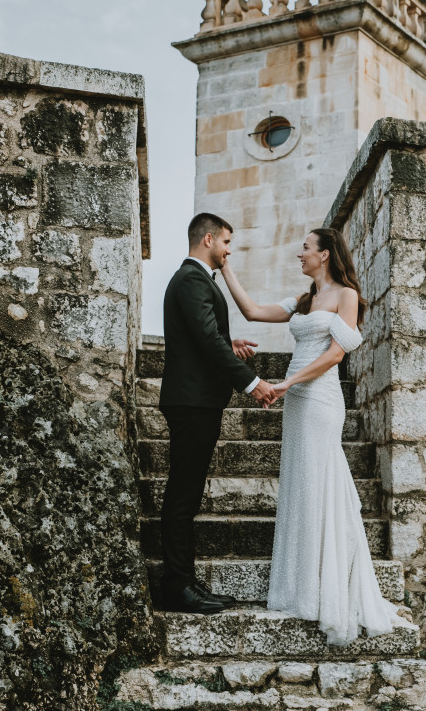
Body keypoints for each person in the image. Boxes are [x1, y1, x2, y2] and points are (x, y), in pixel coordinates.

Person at [221, 227, 401, 645]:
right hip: (297, 402)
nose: (299, 254)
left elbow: (335, 354)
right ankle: (301, 586)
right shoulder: (303, 301)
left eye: (305, 248)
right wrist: (226, 268)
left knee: (320, 483)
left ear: (325, 254)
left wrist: (287, 382)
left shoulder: (346, 296)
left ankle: (329, 587)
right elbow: (252, 311)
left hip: (319, 399)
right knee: (300, 484)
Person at [159, 212, 277, 614]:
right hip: (192, 402)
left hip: (197, 401)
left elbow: (205, 335)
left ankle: (185, 581)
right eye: (227, 242)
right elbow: (206, 338)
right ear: (208, 239)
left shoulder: (194, 279)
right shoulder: (192, 279)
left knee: (187, 494)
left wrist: (229, 342)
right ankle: (177, 587)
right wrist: (252, 382)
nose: (229, 250)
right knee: (182, 496)